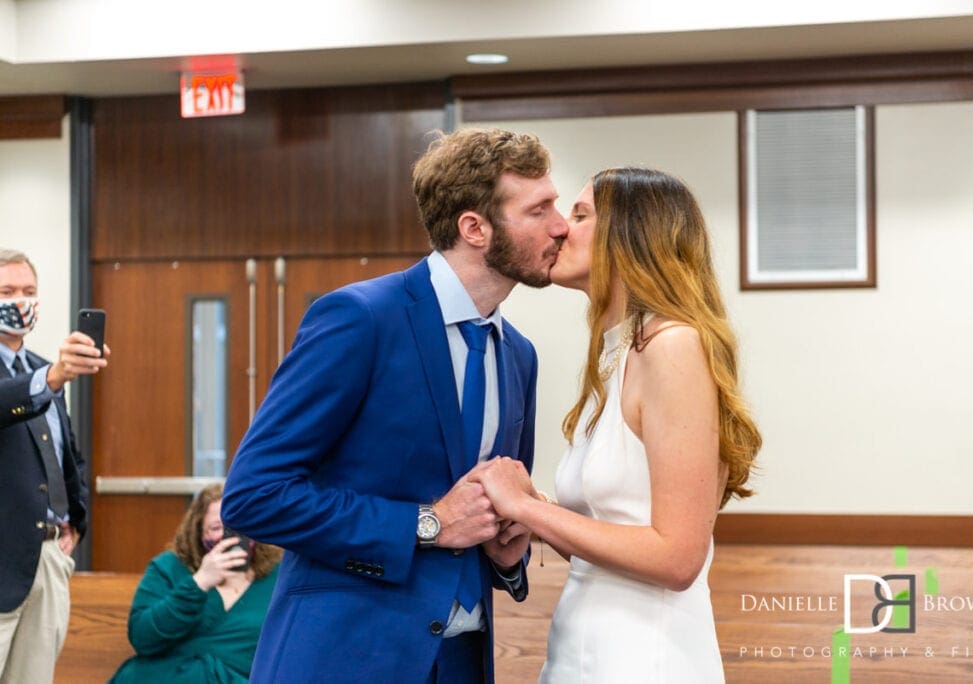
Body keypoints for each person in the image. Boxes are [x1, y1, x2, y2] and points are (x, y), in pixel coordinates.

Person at [220, 128, 569, 683]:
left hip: (461, 663)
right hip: (346, 657)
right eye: (540, 209)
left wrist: (508, 554)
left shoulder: (518, 355)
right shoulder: (361, 319)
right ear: (474, 228)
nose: (561, 226)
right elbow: (253, 496)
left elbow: (490, 510)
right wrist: (428, 523)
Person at [471, 167, 762, 682]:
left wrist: (528, 509)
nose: (560, 227)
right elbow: (613, 536)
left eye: (580, 215)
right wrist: (533, 513)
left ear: (632, 238)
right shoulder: (617, 352)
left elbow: (677, 559)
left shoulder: (671, 345)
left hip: (645, 654)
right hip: (583, 645)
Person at [0, 248, 111, 683]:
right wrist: (50, 380)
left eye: (29, 291)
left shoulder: (44, 369)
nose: (21, 300)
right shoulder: (46, 377)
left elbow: (67, 455)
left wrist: (75, 521)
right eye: (7, 290)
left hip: (48, 557)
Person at [110, 483, 281, 683]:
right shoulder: (168, 567)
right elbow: (143, 639)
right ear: (199, 533)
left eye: (236, 525)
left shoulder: (277, 577)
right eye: (217, 527)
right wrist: (200, 582)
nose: (229, 535)